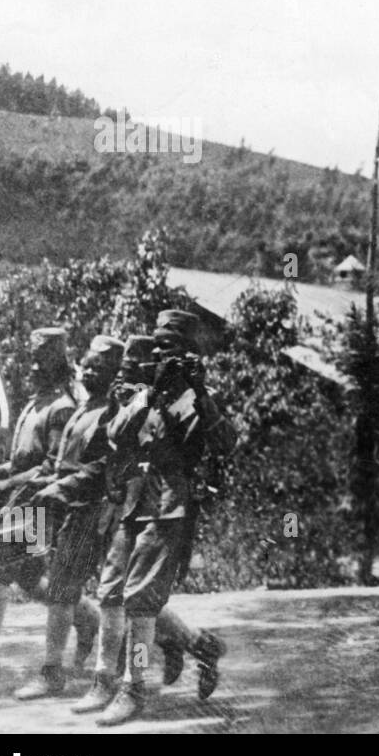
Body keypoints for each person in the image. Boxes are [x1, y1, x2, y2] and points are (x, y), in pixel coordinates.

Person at [94, 310, 237, 725]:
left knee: (140, 600)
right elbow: (117, 435)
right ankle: (198, 646)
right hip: (136, 502)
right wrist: (146, 396)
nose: (160, 354)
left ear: (190, 353)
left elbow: (226, 443)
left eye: (170, 348)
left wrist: (199, 392)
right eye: (156, 347)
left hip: (172, 505)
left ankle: (132, 689)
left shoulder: (197, 397)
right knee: (112, 590)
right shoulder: (147, 393)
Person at [0, 327, 98, 687]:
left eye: (40, 361)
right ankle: (88, 617)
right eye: (32, 359)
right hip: (17, 503)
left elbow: (50, 468)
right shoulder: (35, 404)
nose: (32, 367)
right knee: (30, 579)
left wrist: (9, 482)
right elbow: (20, 460)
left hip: (39, 509)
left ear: (56, 366)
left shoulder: (62, 409)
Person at [13, 335, 124, 700]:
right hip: (74, 514)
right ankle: (52, 670)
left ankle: (192, 644)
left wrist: (60, 489)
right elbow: (59, 464)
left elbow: (101, 468)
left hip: (97, 514)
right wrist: (40, 483)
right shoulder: (84, 408)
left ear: (114, 373)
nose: (89, 371)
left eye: (99, 367)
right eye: (86, 364)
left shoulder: (113, 412)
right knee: (64, 588)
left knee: (123, 597)